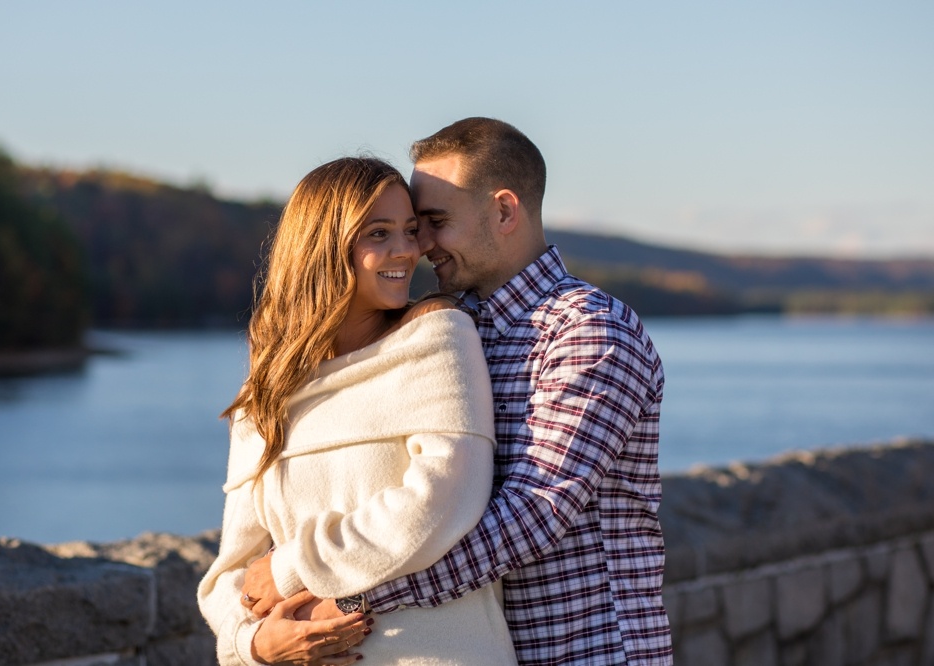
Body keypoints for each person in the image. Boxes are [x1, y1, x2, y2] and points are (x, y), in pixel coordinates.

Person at [247, 119, 674, 664]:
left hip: (591, 651)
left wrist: (350, 597)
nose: (419, 245)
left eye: (435, 222)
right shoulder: (449, 328)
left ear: (503, 211)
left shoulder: (588, 331)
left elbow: (531, 516)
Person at [197, 156, 518, 665]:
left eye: (410, 231)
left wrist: (293, 567)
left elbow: (443, 500)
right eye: (379, 233)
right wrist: (252, 644)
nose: (407, 251)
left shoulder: (436, 337)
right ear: (323, 246)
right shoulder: (267, 390)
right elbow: (232, 570)